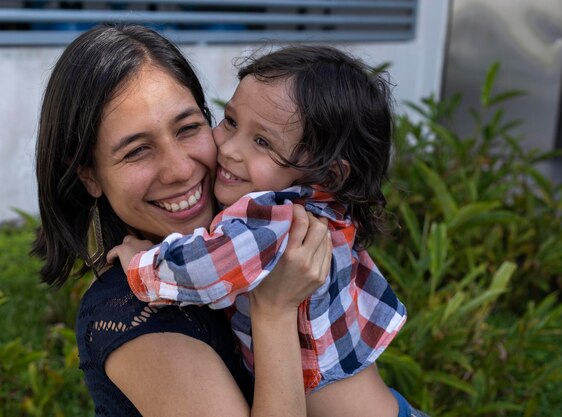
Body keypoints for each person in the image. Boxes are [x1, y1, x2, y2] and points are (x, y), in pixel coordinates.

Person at [31, 24, 333, 417]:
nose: (178, 170)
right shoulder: (141, 320)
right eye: (137, 151)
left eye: (188, 128)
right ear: (89, 175)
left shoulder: (250, 234)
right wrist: (275, 312)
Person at [110, 45, 425, 417]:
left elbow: (204, 266)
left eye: (262, 142)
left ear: (328, 174)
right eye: (230, 121)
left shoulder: (274, 219)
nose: (230, 149)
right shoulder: (310, 204)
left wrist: (142, 265)